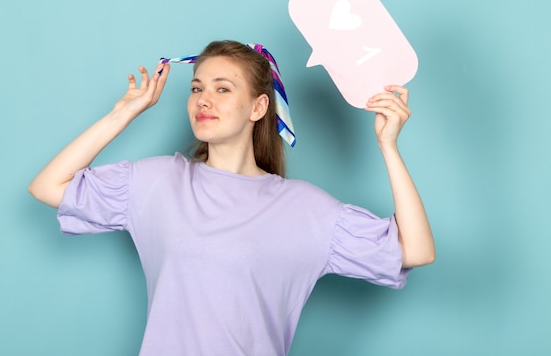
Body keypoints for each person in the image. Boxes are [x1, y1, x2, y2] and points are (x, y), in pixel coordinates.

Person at [29, 40, 435, 356]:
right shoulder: (157, 182)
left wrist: (388, 145)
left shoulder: (305, 209)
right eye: (196, 88)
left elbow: (414, 250)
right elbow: (49, 186)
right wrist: (124, 113)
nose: (204, 99)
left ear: (259, 107)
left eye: (222, 88)